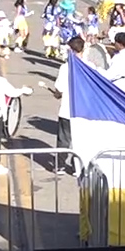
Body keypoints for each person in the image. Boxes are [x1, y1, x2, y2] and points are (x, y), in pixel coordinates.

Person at [49, 36, 88, 175]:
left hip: (67, 110)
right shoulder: (90, 67)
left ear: (71, 50)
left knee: (63, 140)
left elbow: (59, 89)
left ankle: (59, 166)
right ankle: (77, 167)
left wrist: (57, 94)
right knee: (81, 141)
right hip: (84, 111)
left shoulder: (65, 67)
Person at [103, 31, 125, 97]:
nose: (114, 44)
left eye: (115, 42)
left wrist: (96, 69)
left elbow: (108, 76)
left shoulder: (120, 58)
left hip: (121, 89)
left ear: (120, 44)